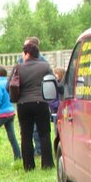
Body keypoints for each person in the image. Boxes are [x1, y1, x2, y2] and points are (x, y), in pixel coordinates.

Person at [8, 42, 54, 171]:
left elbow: (8, 86)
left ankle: (28, 166)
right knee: (44, 134)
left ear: (27, 54)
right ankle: (47, 164)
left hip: (23, 104)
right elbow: (52, 82)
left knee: (26, 135)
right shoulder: (45, 66)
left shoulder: (18, 67)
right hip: (41, 103)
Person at [17, 37, 47, 155]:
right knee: (42, 130)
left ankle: (36, 152)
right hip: (40, 99)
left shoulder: (21, 64)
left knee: (28, 131)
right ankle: (43, 155)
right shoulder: (44, 63)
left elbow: (13, 83)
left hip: (26, 100)